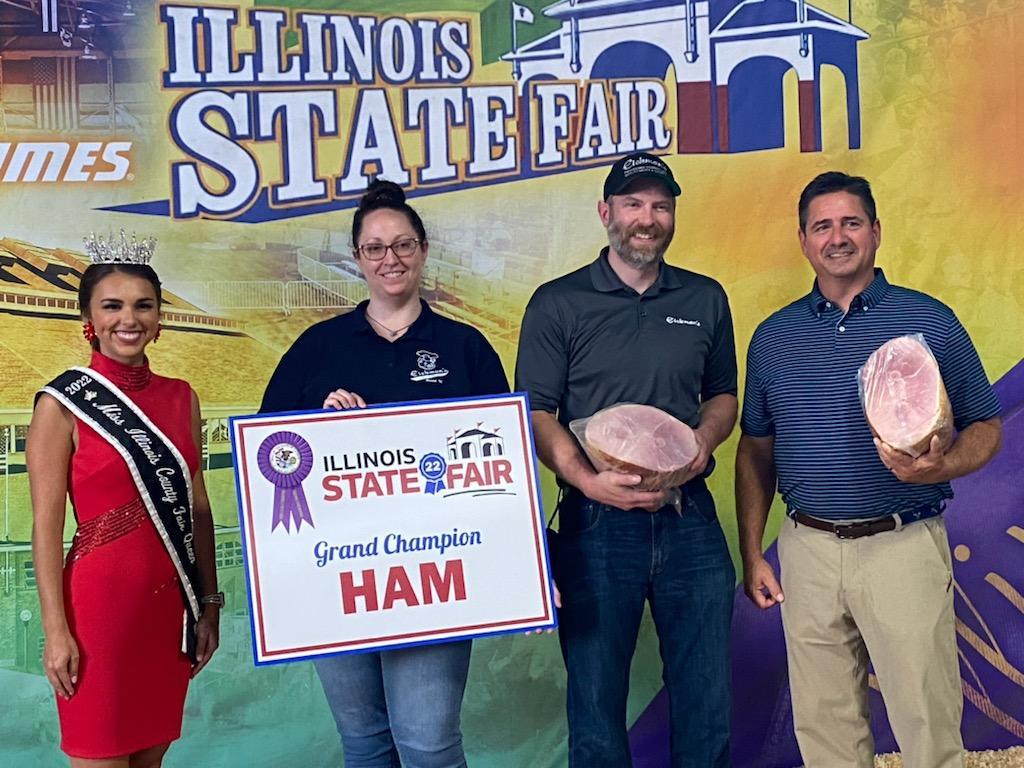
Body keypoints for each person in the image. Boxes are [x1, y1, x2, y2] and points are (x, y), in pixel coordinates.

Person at [735, 171, 1002, 768]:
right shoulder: (773, 338)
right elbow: (756, 446)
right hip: (806, 549)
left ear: (876, 232)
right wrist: (755, 552)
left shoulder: (928, 320)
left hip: (901, 542)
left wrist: (940, 467)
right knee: (824, 726)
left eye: (851, 222)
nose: (838, 237)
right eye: (822, 225)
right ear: (803, 240)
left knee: (927, 721)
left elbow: (986, 425)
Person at [260, 179, 509, 768]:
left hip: (437, 573)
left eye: (402, 245)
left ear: (423, 250)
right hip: (335, 579)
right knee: (367, 747)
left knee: (428, 746)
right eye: (375, 248)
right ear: (357, 258)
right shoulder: (317, 348)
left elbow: (504, 464)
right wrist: (316, 427)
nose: (389, 259)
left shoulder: (463, 347)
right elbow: (269, 456)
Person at [515, 152, 738, 768]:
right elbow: (536, 412)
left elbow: (722, 395)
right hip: (595, 528)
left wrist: (704, 445)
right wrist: (588, 481)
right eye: (634, 204)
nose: (648, 218)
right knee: (594, 710)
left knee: (707, 705)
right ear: (605, 212)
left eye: (661, 205)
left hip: (689, 519)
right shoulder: (558, 303)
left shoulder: (705, 297)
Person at [28, 240, 221, 768]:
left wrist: (209, 603)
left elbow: (197, 508)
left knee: (151, 759)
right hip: (97, 615)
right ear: (88, 317)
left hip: (167, 610)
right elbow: (45, 529)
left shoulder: (183, 396)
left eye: (143, 305)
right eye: (112, 306)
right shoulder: (59, 404)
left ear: (160, 317)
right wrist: (55, 631)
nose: (128, 319)